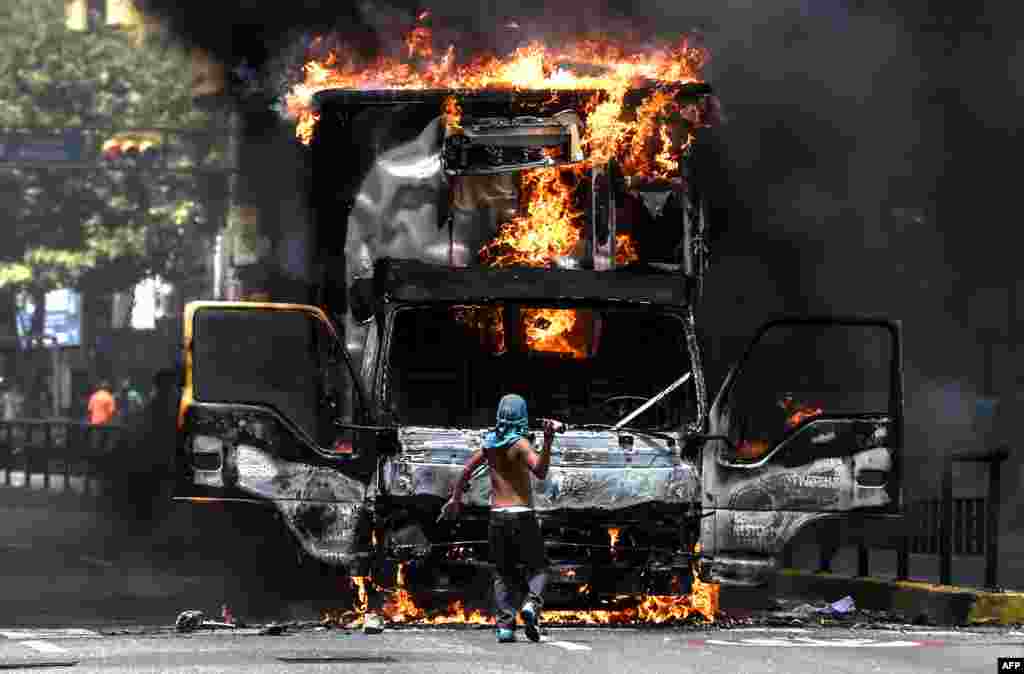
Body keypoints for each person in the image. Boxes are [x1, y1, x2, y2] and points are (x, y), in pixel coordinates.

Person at [441, 394, 561, 643]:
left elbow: (466, 469)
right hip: (522, 515)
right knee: (538, 568)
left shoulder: (490, 444)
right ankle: (531, 604)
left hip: (497, 516)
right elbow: (540, 471)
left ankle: (506, 627)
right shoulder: (520, 444)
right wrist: (548, 441)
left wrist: (455, 499)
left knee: (502, 572)